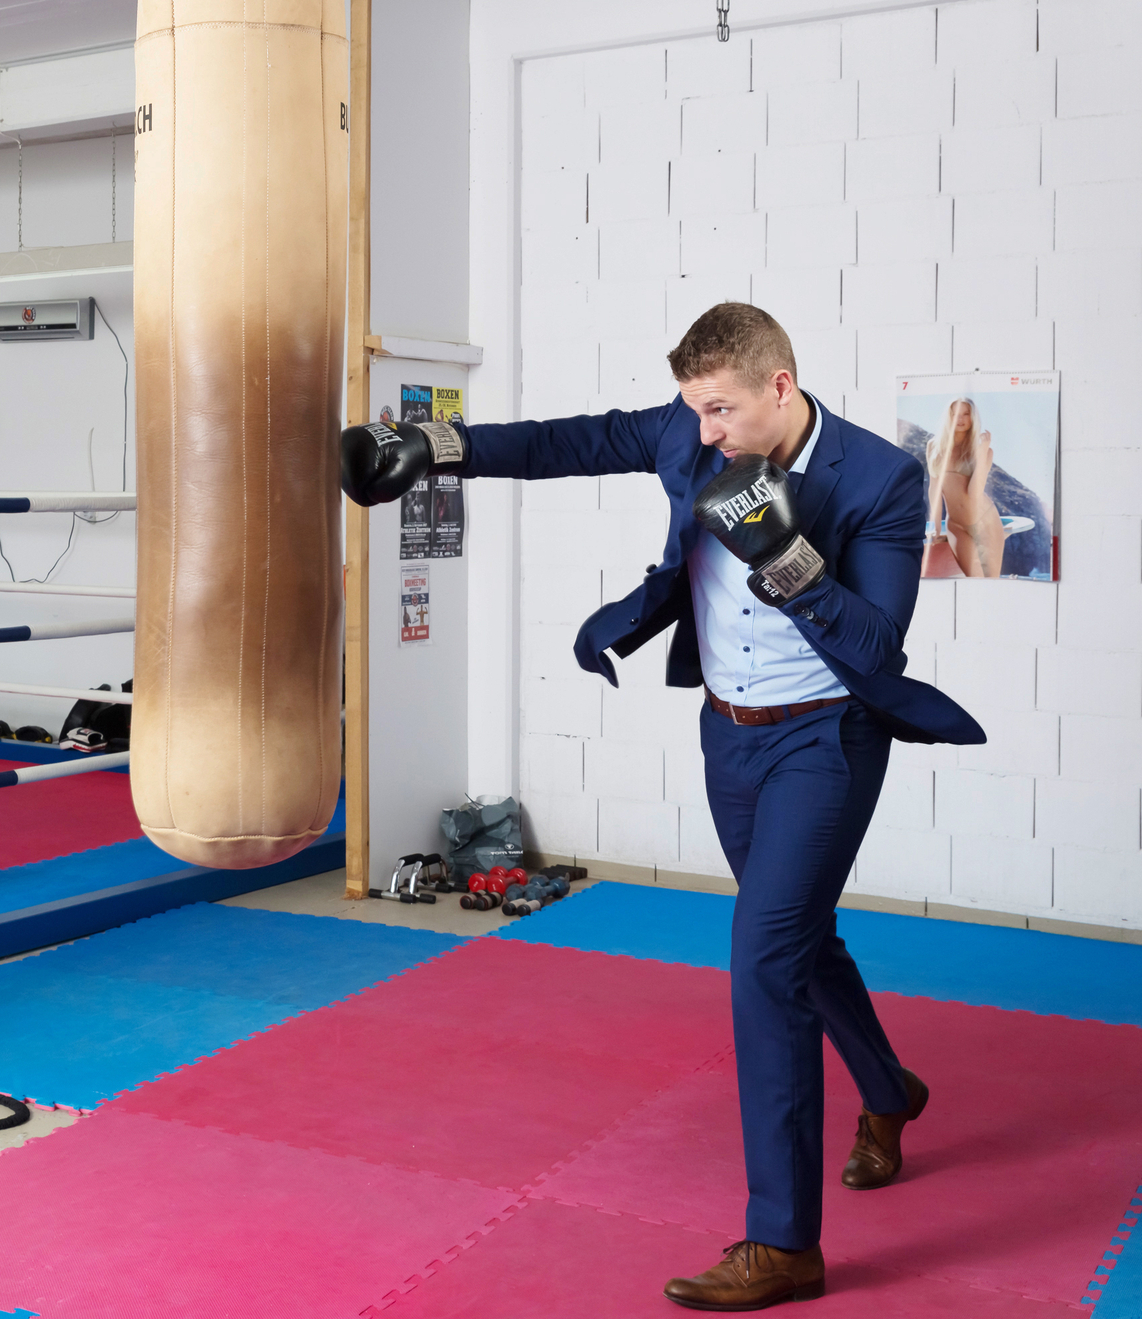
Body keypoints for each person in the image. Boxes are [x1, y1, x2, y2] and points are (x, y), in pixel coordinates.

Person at [341, 303, 985, 1311]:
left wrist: (787, 557)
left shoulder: (877, 479)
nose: (705, 433)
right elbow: (566, 442)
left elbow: (873, 648)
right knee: (801, 943)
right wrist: (432, 443)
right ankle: (889, 1090)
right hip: (728, 732)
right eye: (693, 411)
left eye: (720, 411)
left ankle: (782, 1242)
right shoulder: (687, 427)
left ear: (779, 387)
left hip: (826, 738)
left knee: (763, 956)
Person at [923, 398, 1007, 578]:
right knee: (975, 579)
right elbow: (934, 488)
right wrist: (936, 527)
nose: (959, 419)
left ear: (973, 417)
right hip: (957, 525)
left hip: (987, 522)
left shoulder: (984, 451)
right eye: (954, 414)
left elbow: (974, 493)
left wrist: (982, 450)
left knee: (992, 582)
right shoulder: (934, 447)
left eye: (965, 414)